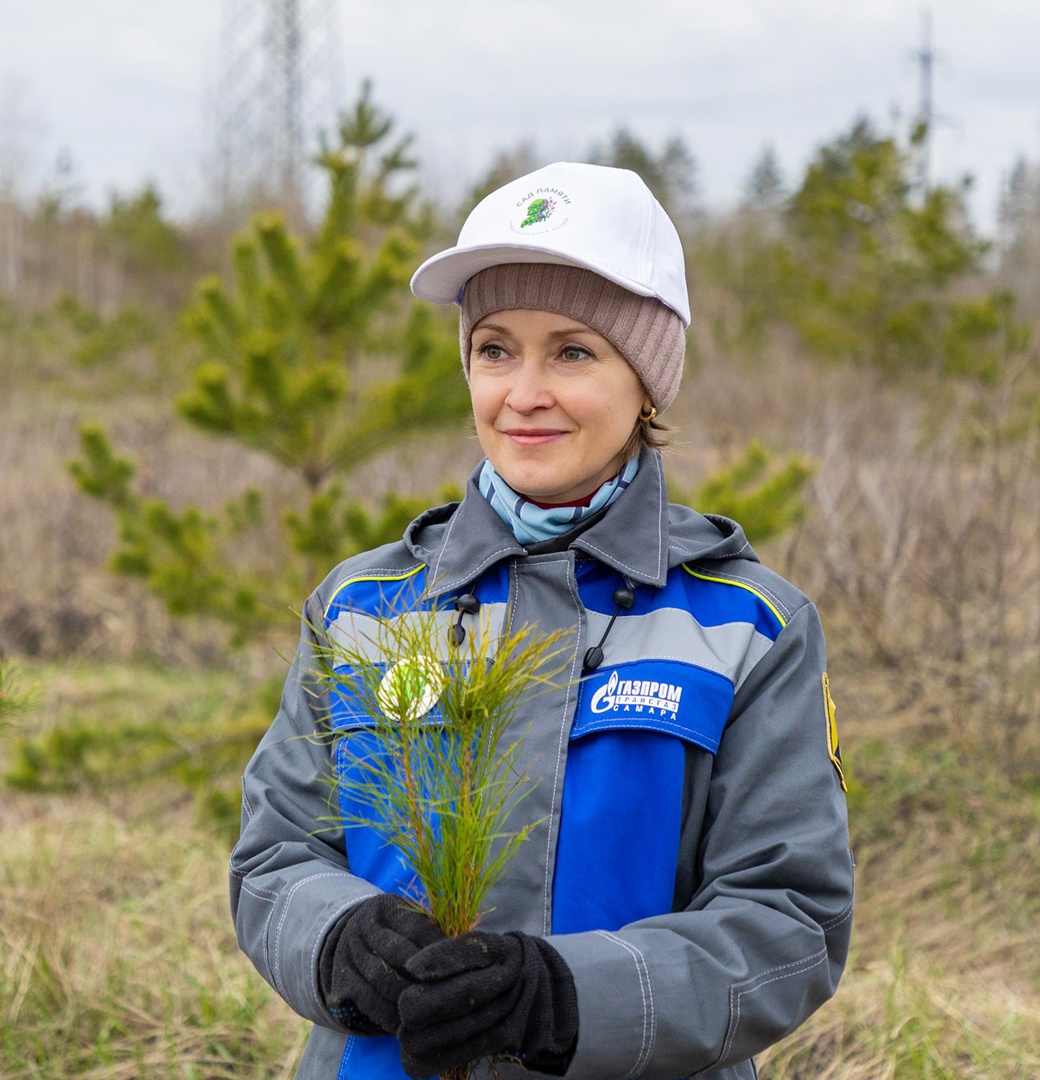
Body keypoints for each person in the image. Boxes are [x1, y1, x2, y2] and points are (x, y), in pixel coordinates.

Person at [230, 161, 853, 1080]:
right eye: (494, 349)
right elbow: (275, 858)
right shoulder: (360, 608)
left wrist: (566, 996)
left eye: (572, 352)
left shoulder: (748, 627)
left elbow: (789, 923)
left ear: (647, 381)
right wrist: (338, 940)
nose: (524, 392)